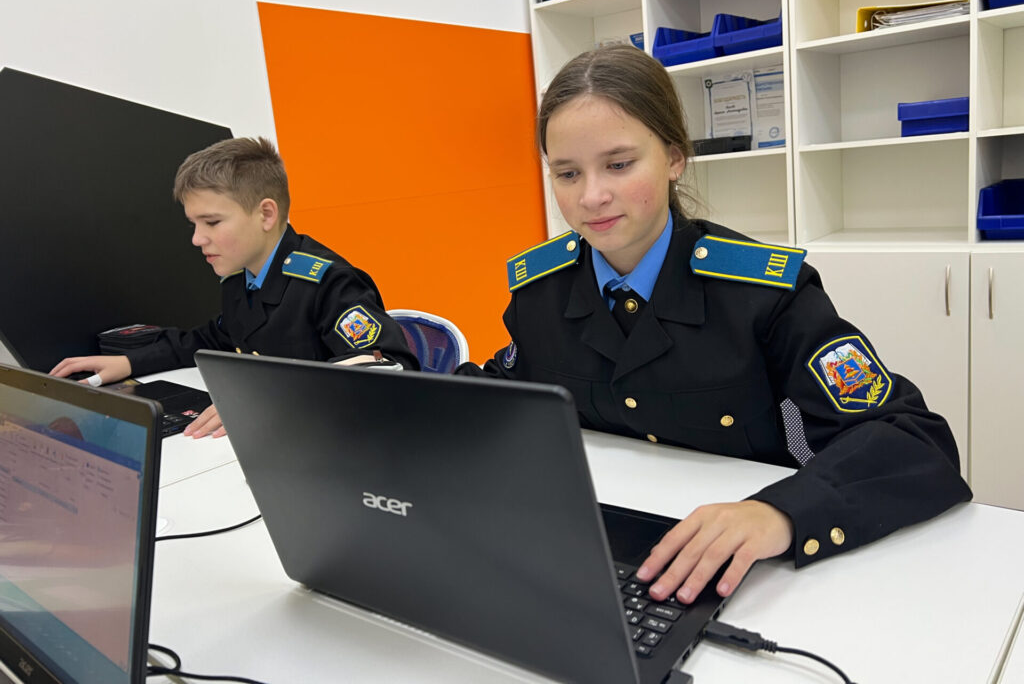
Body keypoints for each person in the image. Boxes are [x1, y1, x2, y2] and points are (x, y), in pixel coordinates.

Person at [458, 45, 970, 606]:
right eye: (567, 173)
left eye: (619, 164)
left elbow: (914, 439)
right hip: (592, 556)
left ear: (674, 158)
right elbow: (501, 398)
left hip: (749, 575)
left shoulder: (761, 294)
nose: (591, 196)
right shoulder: (540, 293)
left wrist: (780, 512)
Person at [50, 136, 418, 437]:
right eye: (194, 224)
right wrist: (129, 361)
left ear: (266, 214)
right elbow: (209, 338)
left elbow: (389, 368)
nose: (197, 239)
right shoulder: (242, 279)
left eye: (211, 222)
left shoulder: (329, 283)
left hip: (333, 446)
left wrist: (267, 397)